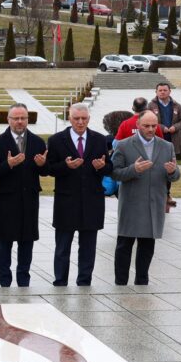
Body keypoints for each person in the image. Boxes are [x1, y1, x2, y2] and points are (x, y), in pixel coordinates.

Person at [111, 111, 180, 285]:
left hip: (154, 204)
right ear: (138, 125)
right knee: (124, 245)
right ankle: (121, 282)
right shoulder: (124, 145)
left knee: (147, 246)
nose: (151, 129)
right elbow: (115, 173)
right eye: (146, 126)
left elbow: (175, 175)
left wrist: (172, 171)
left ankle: (142, 281)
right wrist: (134, 169)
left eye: (154, 126)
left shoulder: (166, 146)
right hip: (131, 204)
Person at [47, 103, 112, 286]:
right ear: (70, 118)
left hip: (92, 202)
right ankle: (60, 281)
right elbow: (49, 169)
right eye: (77, 119)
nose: (80, 122)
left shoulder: (99, 140)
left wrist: (102, 167)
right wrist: (65, 166)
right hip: (66, 202)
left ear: (89, 119)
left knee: (88, 247)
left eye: (84, 119)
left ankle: (84, 281)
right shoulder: (56, 140)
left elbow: (109, 167)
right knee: (62, 247)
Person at [0, 104, 47, 287]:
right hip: (7, 201)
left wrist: (43, 165)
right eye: (16, 118)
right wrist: (9, 164)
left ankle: (23, 281)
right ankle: (4, 281)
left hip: (29, 200)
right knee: (5, 243)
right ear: (9, 119)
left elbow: (45, 171)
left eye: (23, 118)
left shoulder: (37, 142)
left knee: (26, 242)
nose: (20, 122)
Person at [148, 83, 181, 207]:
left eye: (165, 90)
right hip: (157, 140)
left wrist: (176, 127)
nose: (162, 92)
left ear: (170, 91)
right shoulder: (151, 105)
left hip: (172, 141)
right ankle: (155, 193)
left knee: (169, 168)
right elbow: (147, 121)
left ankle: (167, 194)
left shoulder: (176, 105)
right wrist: (162, 127)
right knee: (155, 167)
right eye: (160, 90)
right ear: (156, 92)